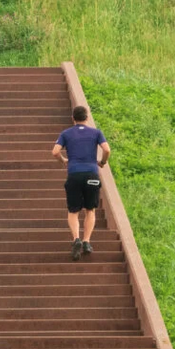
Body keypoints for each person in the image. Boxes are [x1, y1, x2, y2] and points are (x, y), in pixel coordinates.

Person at [53, 105, 108, 260]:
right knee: (90, 209)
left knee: (73, 211)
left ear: (73, 118)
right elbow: (107, 149)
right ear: (87, 117)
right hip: (91, 174)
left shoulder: (66, 133)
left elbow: (55, 151)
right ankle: (87, 241)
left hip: (74, 174)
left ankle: (76, 238)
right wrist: (102, 162)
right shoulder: (96, 133)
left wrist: (63, 160)